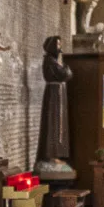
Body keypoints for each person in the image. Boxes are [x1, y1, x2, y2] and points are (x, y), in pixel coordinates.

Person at [35, 35, 72, 172]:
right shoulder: (50, 61)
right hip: (53, 94)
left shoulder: (54, 61)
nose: (59, 47)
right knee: (53, 123)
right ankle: (50, 154)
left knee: (58, 123)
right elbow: (64, 74)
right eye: (57, 44)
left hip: (57, 92)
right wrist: (66, 69)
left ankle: (56, 153)